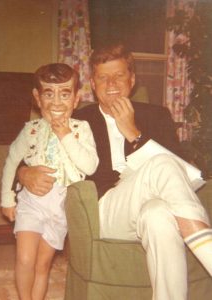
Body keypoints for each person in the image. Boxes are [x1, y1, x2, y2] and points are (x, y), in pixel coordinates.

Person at [17, 44, 212, 300]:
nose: (111, 83)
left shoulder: (157, 115)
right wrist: (23, 173)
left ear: (131, 80)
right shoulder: (78, 120)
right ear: (93, 84)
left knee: (158, 215)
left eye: (119, 75)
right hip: (106, 211)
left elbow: (187, 174)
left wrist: (133, 132)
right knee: (162, 163)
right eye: (102, 77)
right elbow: (30, 149)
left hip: (153, 204)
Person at [0, 63, 99, 300]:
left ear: (75, 99)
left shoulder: (81, 129)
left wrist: (65, 134)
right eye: (48, 93)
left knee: (42, 265)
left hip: (63, 205)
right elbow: (11, 161)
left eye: (65, 94)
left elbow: (90, 166)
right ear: (37, 98)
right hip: (32, 201)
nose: (56, 102)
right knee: (25, 259)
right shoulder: (31, 129)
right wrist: (7, 198)